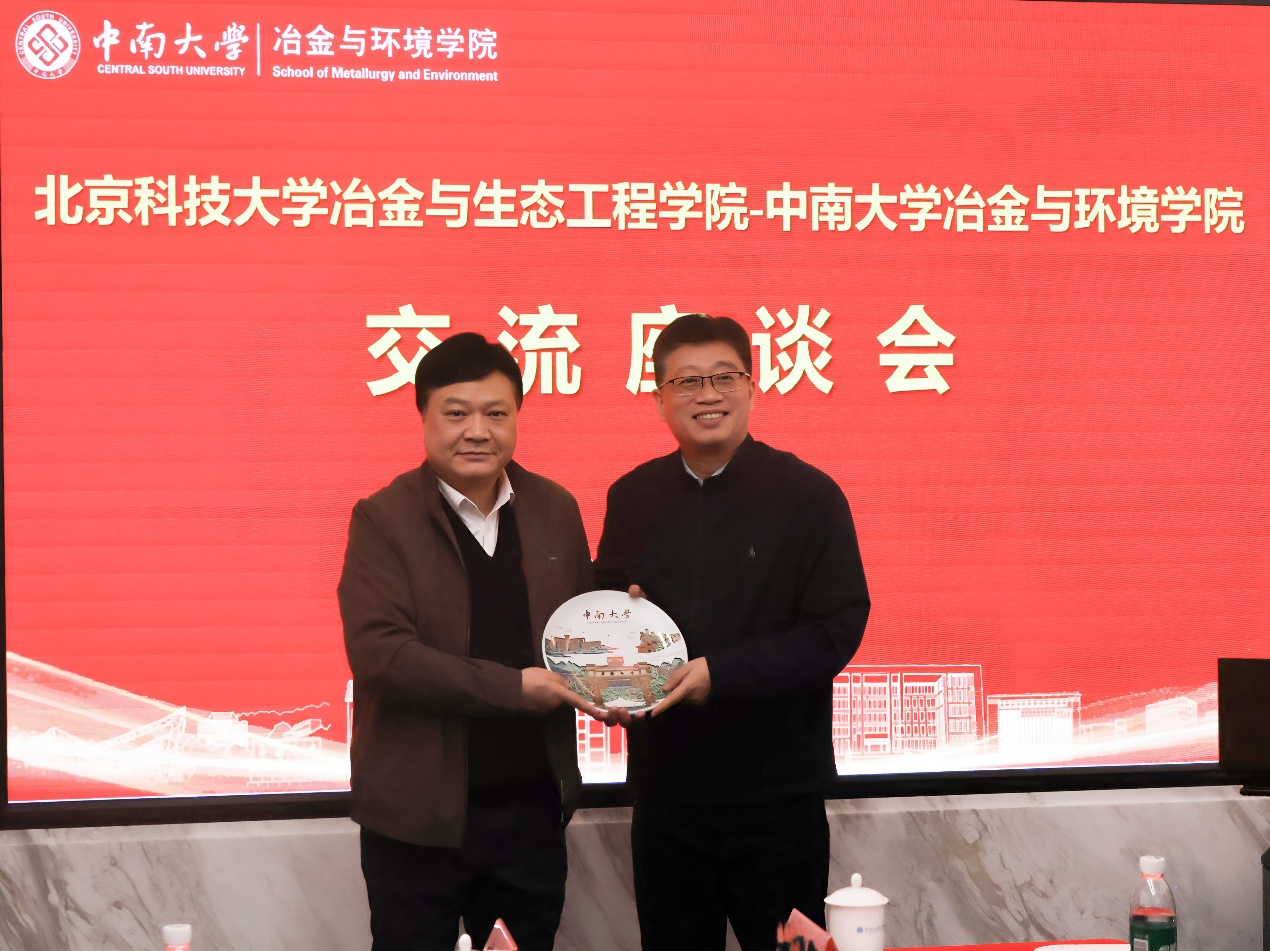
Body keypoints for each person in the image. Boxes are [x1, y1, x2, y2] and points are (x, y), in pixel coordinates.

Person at [595, 313, 870, 951]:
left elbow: (835, 629)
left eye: (724, 377)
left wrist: (720, 675)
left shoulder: (808, 495)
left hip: (778, 800)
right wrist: (614, 647)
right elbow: (603, 606)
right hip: (668, 798)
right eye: (687, 381)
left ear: (751, 387)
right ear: (659, 399)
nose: (708, 394)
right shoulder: (632, 496)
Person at [338, 333, 603, 951]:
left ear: (517, 417)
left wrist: (627, 650)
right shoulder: (382, 518)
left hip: (531, 813)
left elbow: (582, 630)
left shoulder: (555, 509)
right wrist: (512, 689)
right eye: (456, 413)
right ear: (424, 417)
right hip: (416, 822)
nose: (477, 431)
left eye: (496, 413)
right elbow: (382, 656)